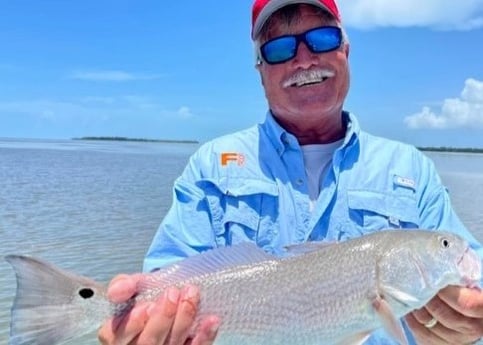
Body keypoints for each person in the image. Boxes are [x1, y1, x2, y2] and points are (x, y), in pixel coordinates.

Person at [98, 0, 483, 344]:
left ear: (345, 51)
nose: (303, 60)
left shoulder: (411, 168)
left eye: (322, 38)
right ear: (260, 71)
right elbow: (167, 278)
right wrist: (144, 328)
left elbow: (475, 280)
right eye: (280, 48)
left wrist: (469, 326)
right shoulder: (211, 164)